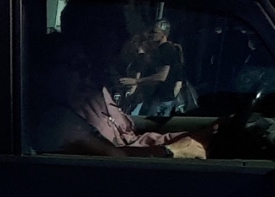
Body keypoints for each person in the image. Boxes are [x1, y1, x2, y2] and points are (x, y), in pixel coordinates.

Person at [36, 37, 206, 158]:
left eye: (87, 65)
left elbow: (127, 137)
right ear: (44, 73)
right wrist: (170, 151)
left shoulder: (94, 94)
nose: (86, 74)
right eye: (75, 65)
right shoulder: (58, 121)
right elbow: (116, 157)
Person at [118, 20, 187, 118]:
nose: (152, 35)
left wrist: (137, 81)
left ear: (163, 34)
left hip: (161, 99)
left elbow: (162, 76)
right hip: (157, 97)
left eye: (155, 32)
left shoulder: (167, 49)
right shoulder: (159, 50)